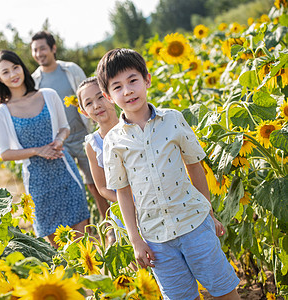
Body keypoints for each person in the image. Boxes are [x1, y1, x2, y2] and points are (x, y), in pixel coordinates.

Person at [97, 48, 240, 300]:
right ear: (109, 96)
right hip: (156, 239)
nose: (128, 91)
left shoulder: (173, 119)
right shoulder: (113, 141)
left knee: (223, 290)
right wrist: (135, 240)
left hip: (194, 223)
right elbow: (122, 191)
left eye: (133, 81)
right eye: (117, 87)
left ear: (147, 80)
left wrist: (209, 213)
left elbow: (194, 165)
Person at [0, 50, 90, 247]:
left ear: (23, 67)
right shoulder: (1, 112)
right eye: (5, 72)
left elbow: (65, 128)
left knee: (83, 243)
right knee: (57, 249)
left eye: (15, 67)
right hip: (38, 183)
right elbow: (4, 153)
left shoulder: (48, 95)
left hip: (65, 171)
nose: (13, 74)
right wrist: (37, 150)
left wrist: (60, 139)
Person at [31, 31, 109, 220]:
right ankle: (85, 229)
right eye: (35, 50)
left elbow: (87, 93)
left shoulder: (71, 70)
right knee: (71, 187)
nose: (39, 53)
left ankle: (109, 225)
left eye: (43, 48)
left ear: (53, 48)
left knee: (96, 183)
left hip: (82, 135)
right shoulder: (34, 82)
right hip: (58, 142)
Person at [77, 77, 126, 241]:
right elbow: (102, 188)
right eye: (89, 103)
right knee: (135, 258)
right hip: (123, 209)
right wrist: (128, 201)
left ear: (111, 96)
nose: (96, 105)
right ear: (84, 112)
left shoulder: (132, 126)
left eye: (100, 97)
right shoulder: (93, 144)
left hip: (151, 200)